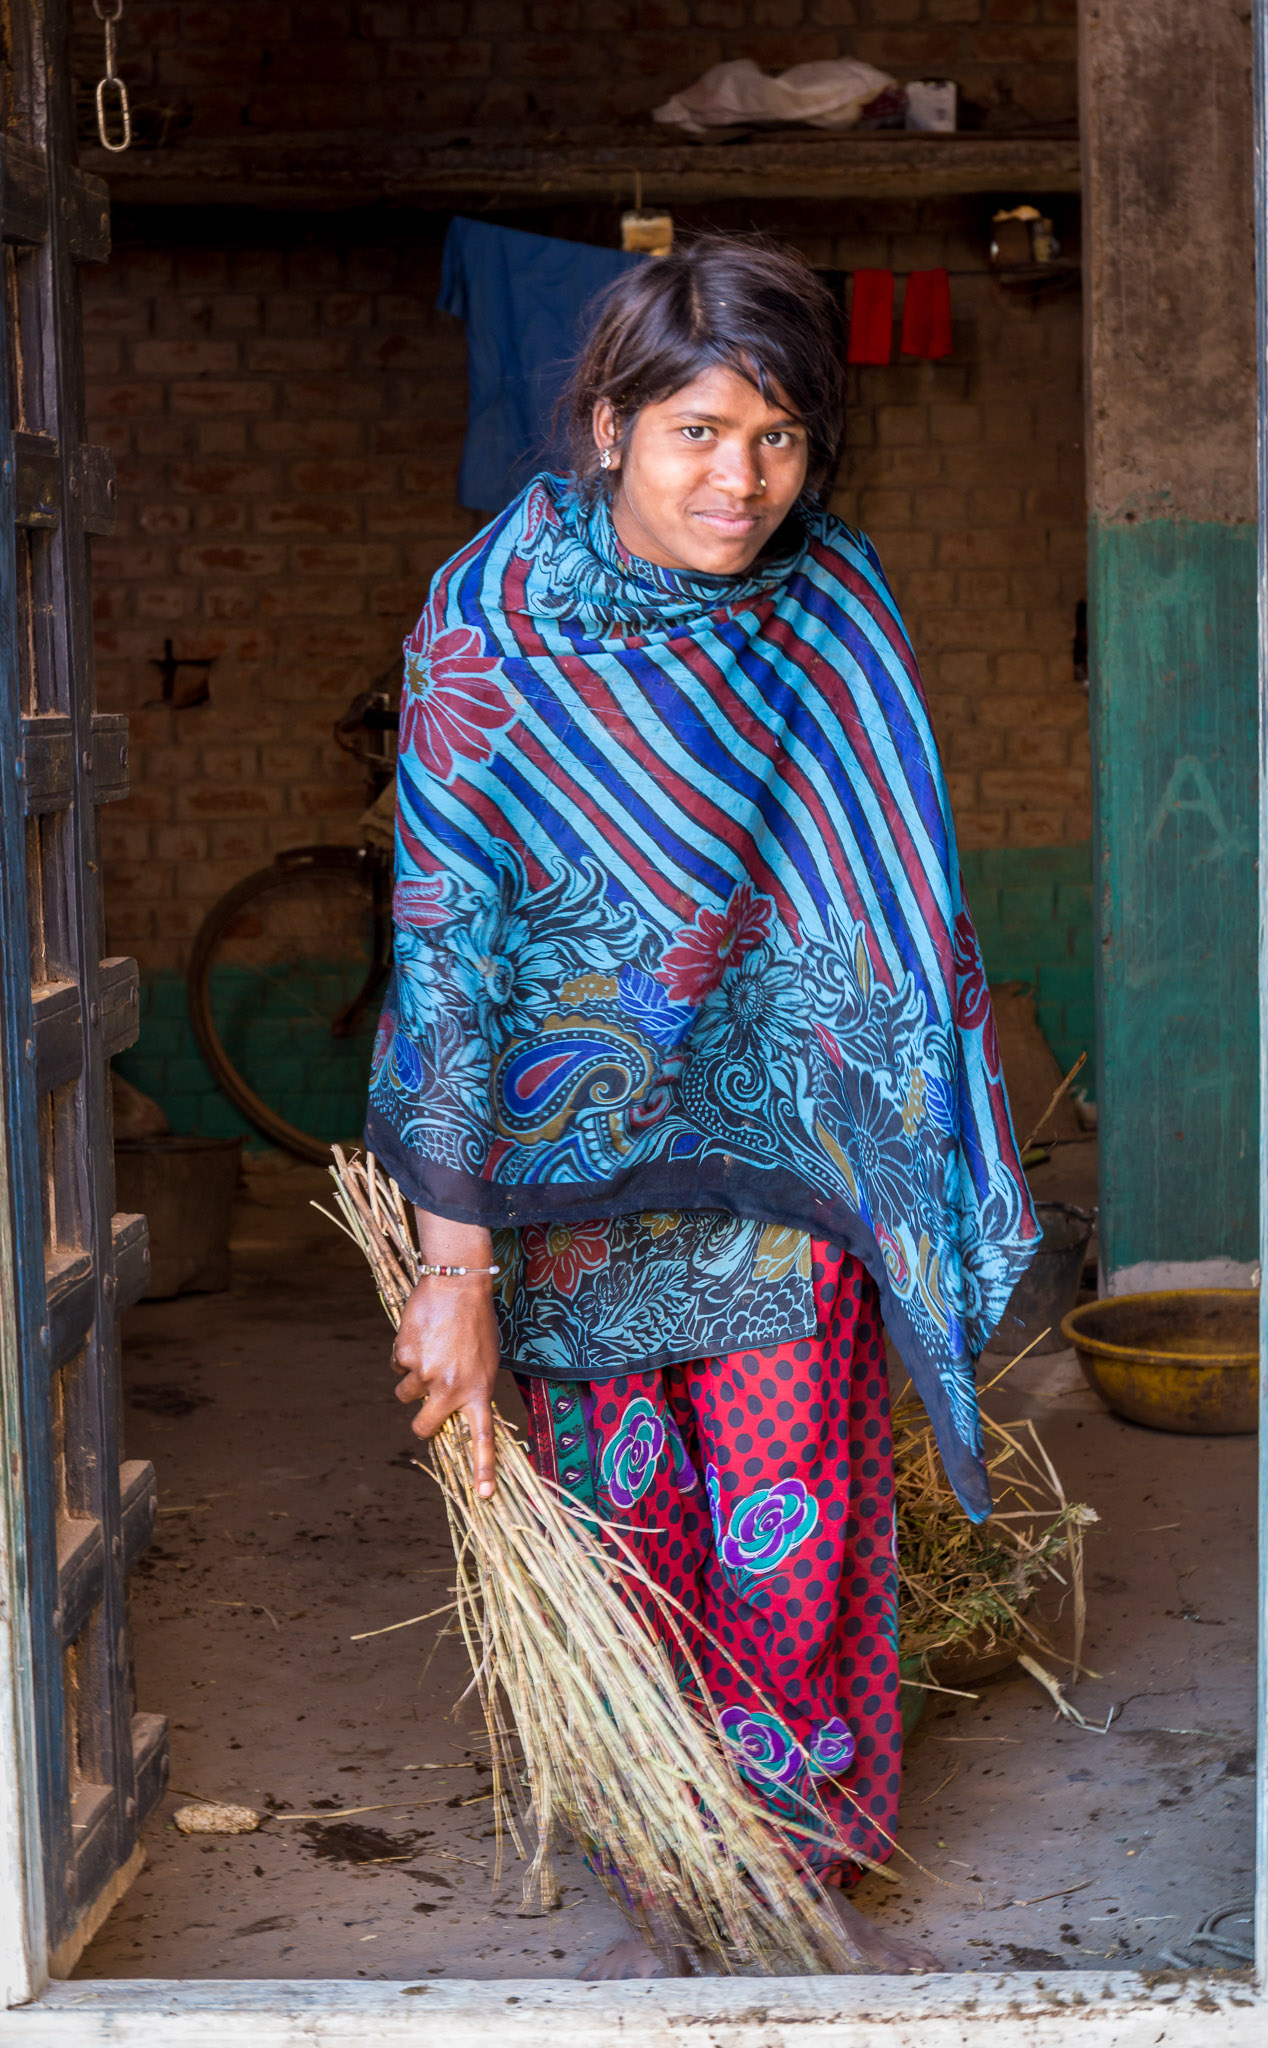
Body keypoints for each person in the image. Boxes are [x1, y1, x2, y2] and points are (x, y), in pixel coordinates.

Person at [368, 234, 1036, 1977]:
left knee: (789, 1546)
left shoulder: (836, 603)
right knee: (636, 1539)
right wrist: (453, 1271)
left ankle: (794, 1870)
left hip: (785, 1170)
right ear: (607, 424)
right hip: (566, 1196)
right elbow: (447, 952)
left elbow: (895, 901)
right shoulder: (492, 622)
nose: (741, 479)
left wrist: (902, 1134)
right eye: (698, 432)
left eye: (781, 439)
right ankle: (675, 1854)